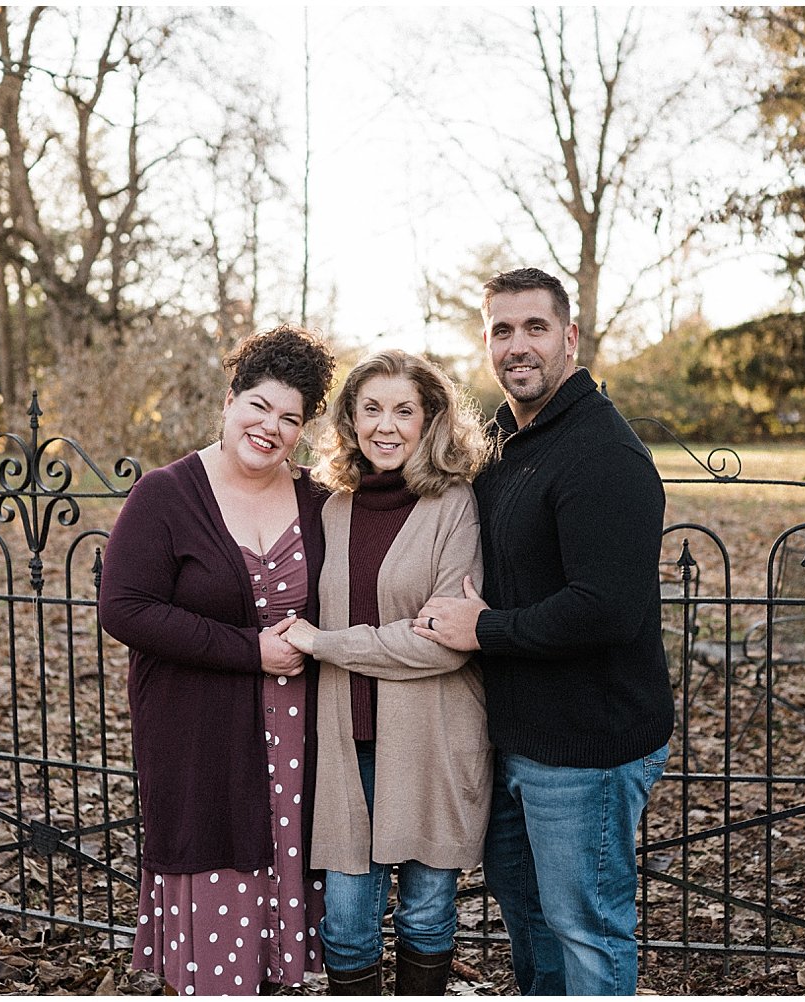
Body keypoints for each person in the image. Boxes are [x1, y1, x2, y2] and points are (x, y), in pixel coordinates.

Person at [415, 268, 674, 995]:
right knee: (530, 922)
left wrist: (485, 630)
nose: (517, 346)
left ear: (570, 337)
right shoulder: (500, 440)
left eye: (534, 328)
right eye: (502, 330)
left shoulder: (603, 455)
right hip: (514, 737)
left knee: (585, 928)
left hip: (587, 744)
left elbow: (606, 609)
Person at [98, 325, 337, 996]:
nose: (271, 427)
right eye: (259, 405)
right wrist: (251, 650)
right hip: (201, 734)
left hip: (299, 736)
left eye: (291, 417)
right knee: (220, 902)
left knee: (286, 878)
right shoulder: (166, 496)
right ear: (229, 399)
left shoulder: (319, 499)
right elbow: (125, 609)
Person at [281, 349, 491, 996]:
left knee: (426, 914)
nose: (387, 426)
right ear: (350, 417)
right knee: (346, 924)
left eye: (405, 410)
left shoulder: (454, 505)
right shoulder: (331, 507)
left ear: (430, 420)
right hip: (348, 740)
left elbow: (445, 644)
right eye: (371, 408)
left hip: (433, 737)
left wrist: (327, 644)